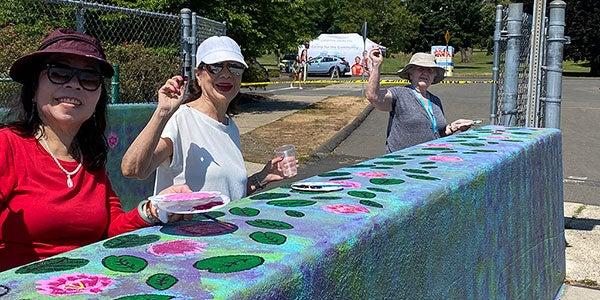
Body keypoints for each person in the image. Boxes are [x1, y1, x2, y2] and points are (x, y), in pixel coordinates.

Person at [0, 28, 190, 272]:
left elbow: (110, 228)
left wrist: (155, 208)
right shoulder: (7, 145)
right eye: (59, 73)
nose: (74, 85)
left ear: (98, 98)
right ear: (34, 89)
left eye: (89, 78)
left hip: (86, 283)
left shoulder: (88, 158)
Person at [121, 36, 295, 201]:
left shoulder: (229, 126)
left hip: (224, 229)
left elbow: (227, 195)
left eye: (234, 67)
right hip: (186, 231)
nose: (226, 74)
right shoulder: (181, 119)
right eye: (216, 66)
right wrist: (162, 113)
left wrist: (262, 177)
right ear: (199, 74)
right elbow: (133, 169)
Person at [366, 49, 475, 152]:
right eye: (420, 68)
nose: (425, 73)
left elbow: (437, 133)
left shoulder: (435, 101)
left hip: (428, 161)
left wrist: (453, 127)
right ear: (411, 74)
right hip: (402, 162)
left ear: (433, 76)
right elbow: (373, 97)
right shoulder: (399, 94)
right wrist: (377, 65)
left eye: (430, 70)